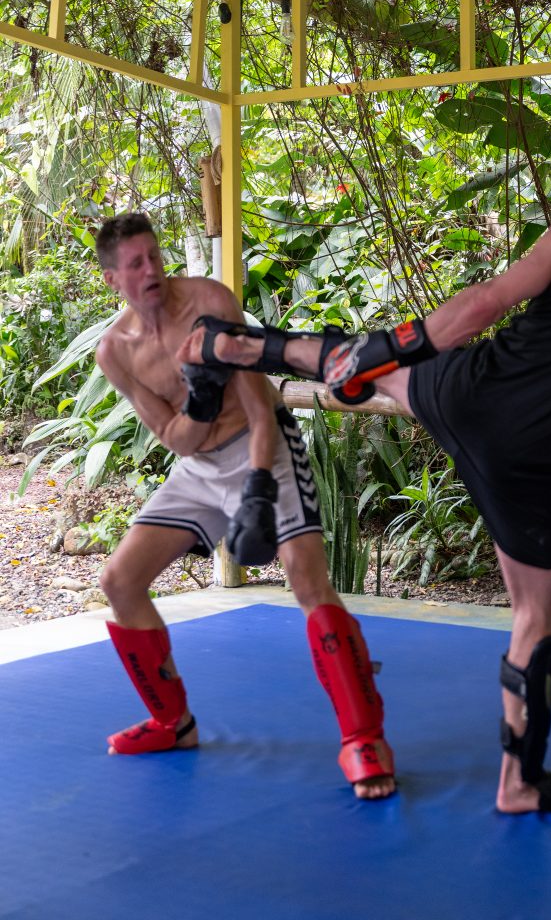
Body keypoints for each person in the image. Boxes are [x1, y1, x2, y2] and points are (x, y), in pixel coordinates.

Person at [180, 140, 551, 815]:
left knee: (379, 366)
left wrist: (385, 348)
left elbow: (483, 304)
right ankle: (519, 784)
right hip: (530, 468)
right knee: (537, 616)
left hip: (469, 394)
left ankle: (236, 345)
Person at [93, 212, 395, 800]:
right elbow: (177, 440)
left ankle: (364, 739)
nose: (151, 270)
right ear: (113, 279)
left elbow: (259, 407)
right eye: (135, 264)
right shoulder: (115, 352)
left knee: (307, 581)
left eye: (154, 256)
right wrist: (202, 397)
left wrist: (258, 485)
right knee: (119, 580)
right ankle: (173, 723)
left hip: (264, 446)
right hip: (199, 469)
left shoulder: (208, 301)